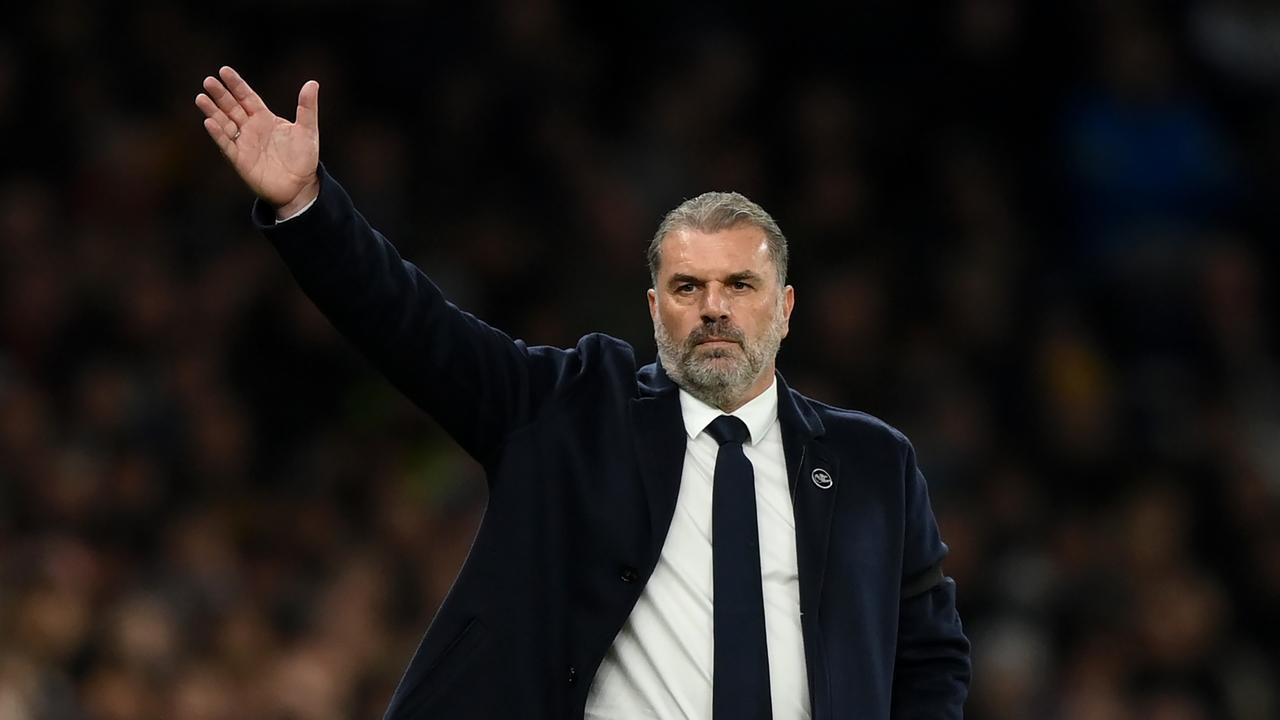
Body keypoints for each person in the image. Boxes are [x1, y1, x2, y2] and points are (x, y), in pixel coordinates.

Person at [195, 66, 970, 720]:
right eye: (687, 286)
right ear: (653, 307)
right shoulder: (570, 411)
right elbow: (411, 325)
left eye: (740, 284)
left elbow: (929, 658)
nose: (714, 308)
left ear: (786, 307)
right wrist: (307, 208)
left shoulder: (874, 464)